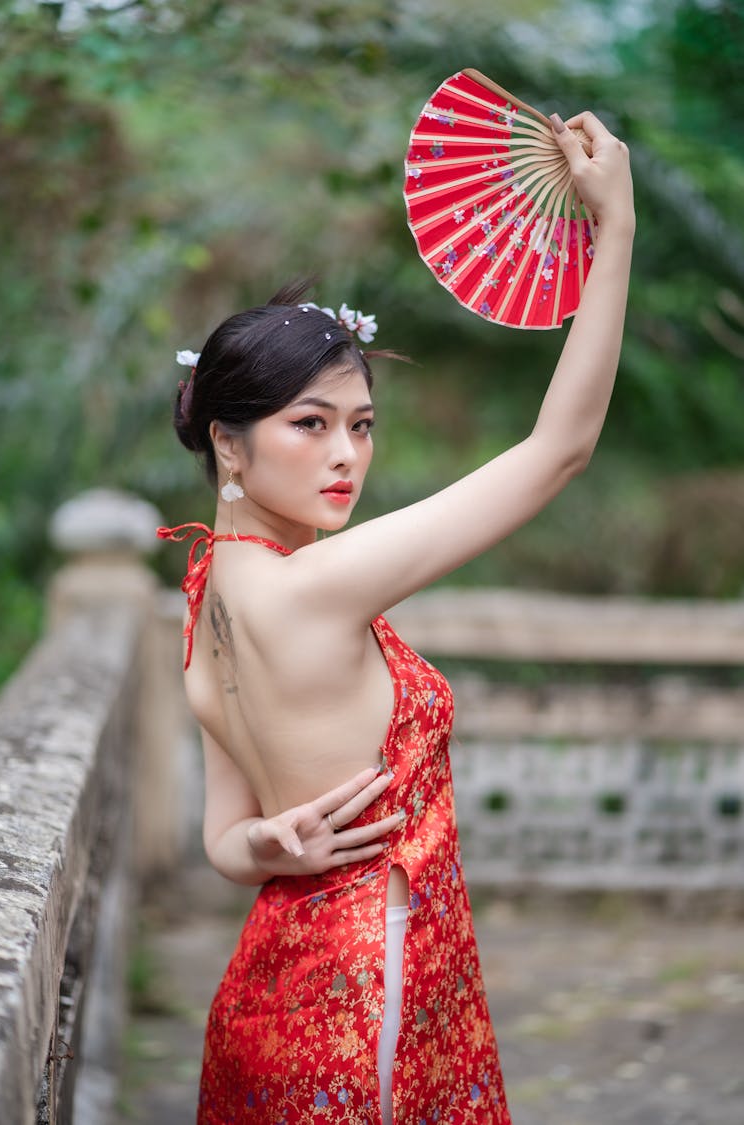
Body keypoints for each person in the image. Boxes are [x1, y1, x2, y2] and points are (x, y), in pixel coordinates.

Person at [158, 110, 634, 1125]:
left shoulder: (203, 603)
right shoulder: (313, 590)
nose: (346, 457)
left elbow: (226, 840)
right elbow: (559, 450)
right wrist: (619, 225)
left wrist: (275, 847)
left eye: (361, 426)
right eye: (310, 424)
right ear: (229, 447)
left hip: (274, 990)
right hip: (370, 994)